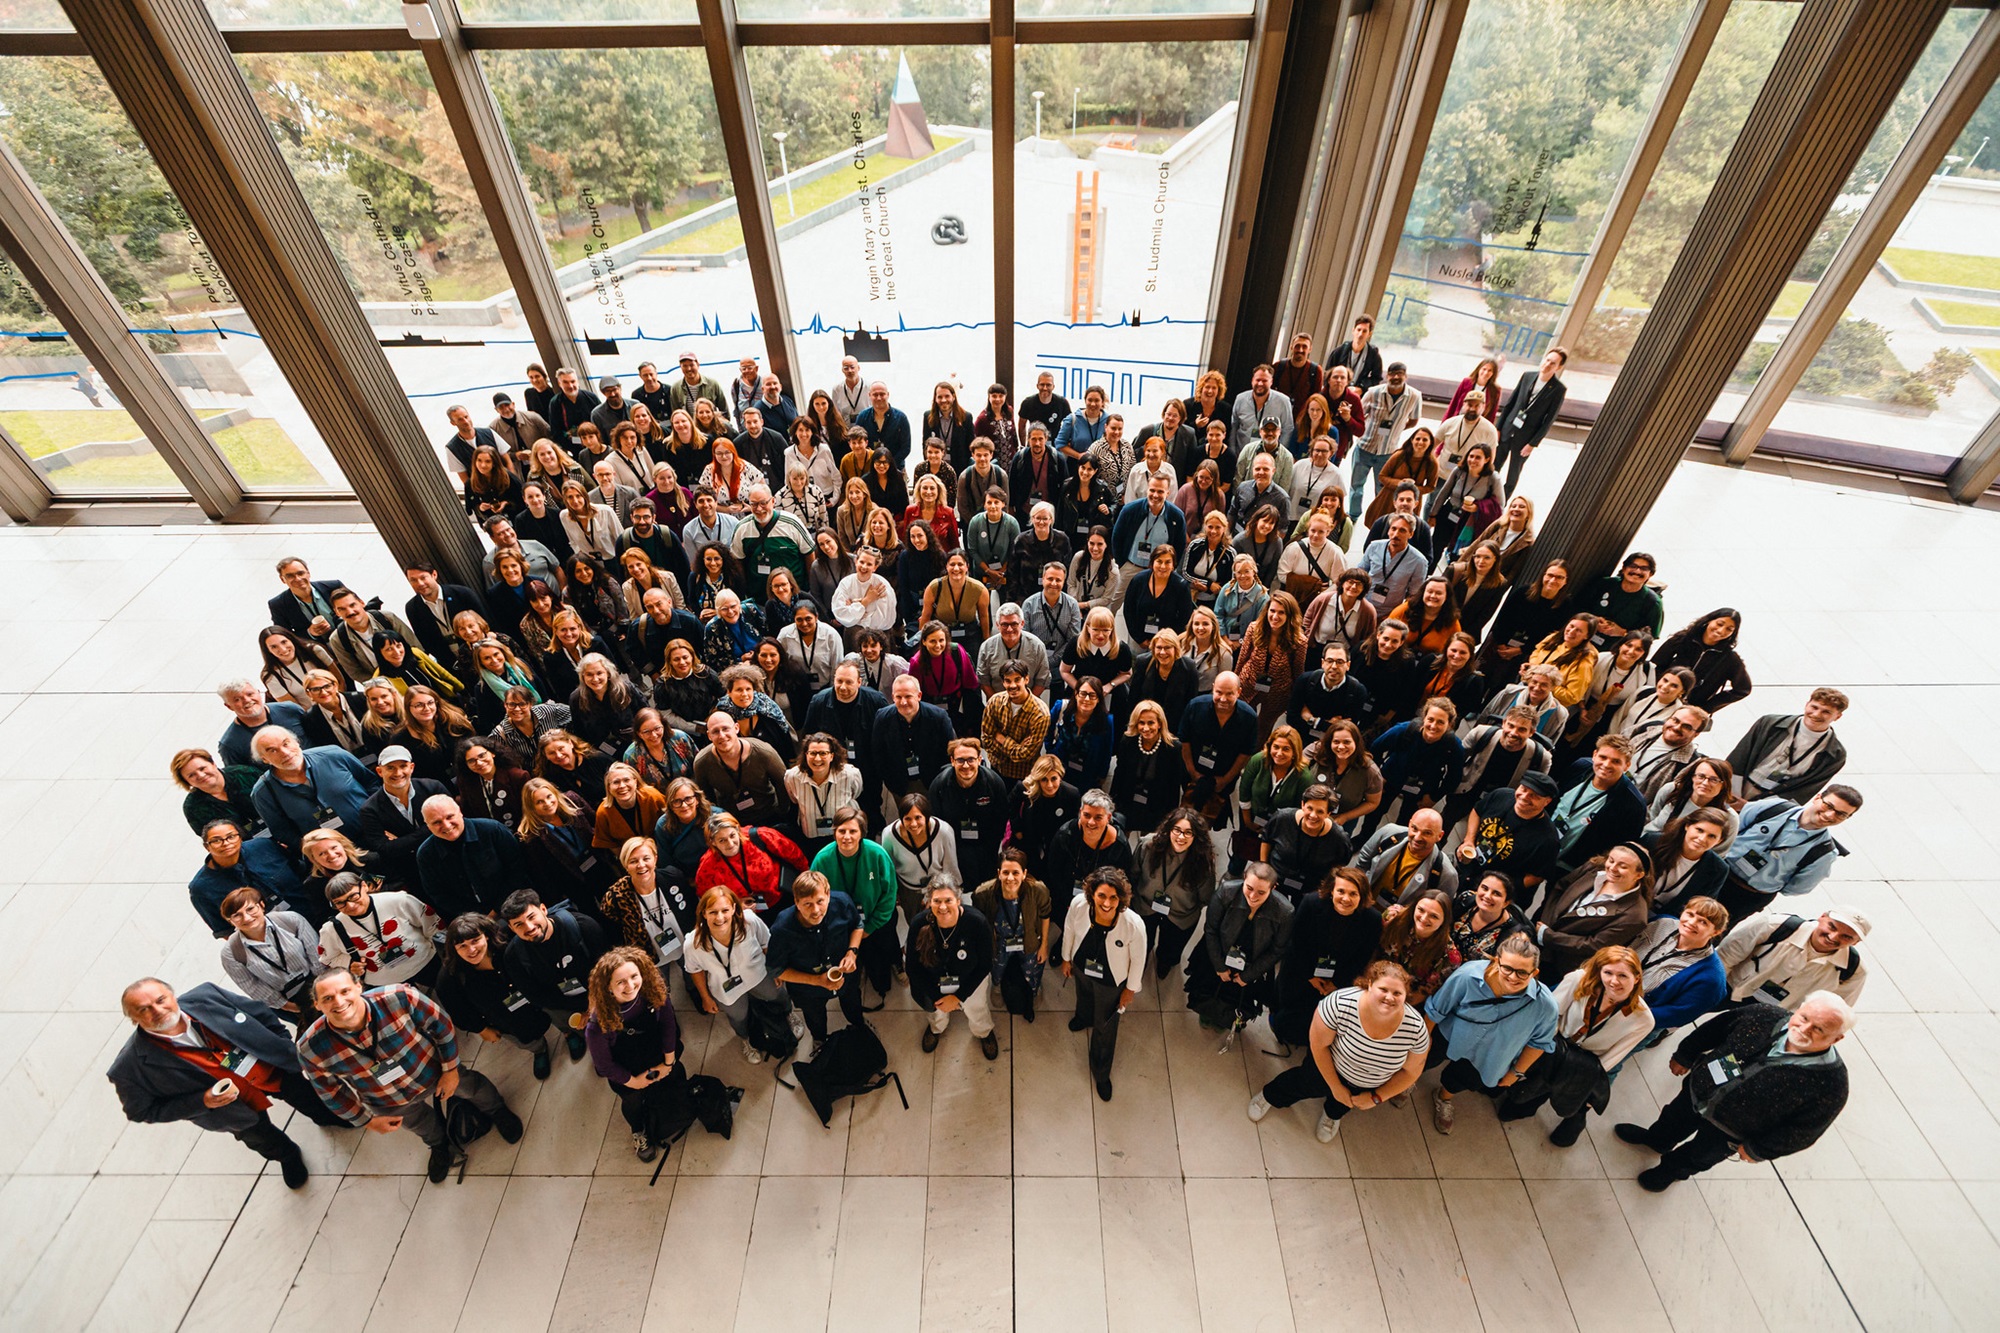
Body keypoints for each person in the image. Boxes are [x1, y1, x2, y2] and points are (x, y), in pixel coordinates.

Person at [109, 978, 346, 1190]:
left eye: (161, 999)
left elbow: (259, 1013)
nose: (158, 1010)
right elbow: (140, 1111)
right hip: (231, 1109)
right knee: (262, 1138)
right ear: (133, 1019)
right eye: (144, 1009)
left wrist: (280, 1044)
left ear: (171, 995)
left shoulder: (207, 995)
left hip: (272, 1068)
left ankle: (324, 1116)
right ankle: (288, 1156)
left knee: (307, 1096)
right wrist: (201, 1101)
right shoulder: (128, 1069)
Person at [1615, 993, 1852, 1191]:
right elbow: (1714, 1029)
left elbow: (1804, 1130)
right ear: (1799, 1009)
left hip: (1731, 1131)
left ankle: (1669, 1172)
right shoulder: (1764, 1014)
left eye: (1819, 1029)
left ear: (1837, 1038)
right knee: (1672, 1118)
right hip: (1698, 1092)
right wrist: (1685, 1054)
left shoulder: (1831, 1083)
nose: (1804, 1029)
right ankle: (1657, 1140)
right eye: (1804, 1018)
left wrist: (1758, 1150)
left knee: (1698, 1155)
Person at [300, 971, 521, 1182]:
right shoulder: (311, 1048)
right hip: (386, 1099)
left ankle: (496, 1110)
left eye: (344, 991)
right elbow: (330, 1092)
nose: (338, 1002)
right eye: (328, 998)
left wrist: (451, 1070)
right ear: (317, 1005)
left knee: (471, 1088)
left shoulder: (398, 997)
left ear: (359, 987)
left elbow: (441, 1026)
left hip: (433, 1071)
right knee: (418, 1123)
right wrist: (366, 1120)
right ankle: (439, 1143)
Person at [1250, 959, 1429, 1143]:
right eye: (1383, 989)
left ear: (1406, 994)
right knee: (1303, 1084)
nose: (1389, 997)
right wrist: (1336, 1087)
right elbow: (1318, 1046)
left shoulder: (1415, 1029)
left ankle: (1331, 1115)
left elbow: (1411, 1072)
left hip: (1366, 1085)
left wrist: (1376, 1097)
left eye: (1397, 993)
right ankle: (1270, 1096)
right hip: (1327, 1067)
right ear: (1369, 984)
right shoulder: (1340, 1003)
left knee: (1343, 1103)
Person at [1503, 945, 1654, 1145]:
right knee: (1528, 1093)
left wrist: (1579, 1077)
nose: (1614, 981)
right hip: (1555, 1043)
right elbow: (1552, 1014)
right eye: (1608, 972)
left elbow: (1612, 1058)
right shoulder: (1579, 979)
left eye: (1623, 976)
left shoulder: (1643, 1020)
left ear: (1636, 978)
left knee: (1572, 1099)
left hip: (1586, 1063)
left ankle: (1574, 1121)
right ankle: (1525, 1107)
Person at [1423, 935, 1558, 1133]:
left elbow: (1540, 1043)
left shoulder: (1545, 1006)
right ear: (1496, 960)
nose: (1513, 977)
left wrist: (1516, 1073)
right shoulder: (1468, 976)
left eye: (1522, 972)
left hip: (1490, 1055)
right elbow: (1437, 1009)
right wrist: (1422, 1041)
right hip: (1450, 1035)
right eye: (1507, 968)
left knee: (1462, 1080)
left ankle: (1443, 1096)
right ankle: (1407, 1083)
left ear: (1534, 972)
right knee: (1427, 1060)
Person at [584, 947, 687, 1162]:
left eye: (634, 976)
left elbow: (669, 1025)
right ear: (608, 987)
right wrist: (634, 1082)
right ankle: (639, 1131)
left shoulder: (655, 991)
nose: (630, 986)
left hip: (659, 1055)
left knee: (676, 1079)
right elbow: (605, 1066)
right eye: (620, 982)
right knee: (633, 1103)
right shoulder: (597, 1024)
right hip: (628, 1070)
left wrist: (668, 1062)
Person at [1269, 865, 1383, 1046]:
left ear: (1362, 896)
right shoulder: (1310, 903)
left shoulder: (1373, 920)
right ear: (1331, 891)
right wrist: (1310, 976)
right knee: (1287, 1007)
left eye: (1353, 894)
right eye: (1341, 891)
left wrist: (1335, 984)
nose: (1346, 899)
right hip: (1301, 970)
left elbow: (1362, 958)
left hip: (1337, 979)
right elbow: (1297, 943)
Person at [436, 913, 558, 1081]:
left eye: (475, 941)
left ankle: (568, 1033)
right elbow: (459, 1013)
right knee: (527, 1039)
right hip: (507, 1018)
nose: (471, 950)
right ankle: (539, 1050)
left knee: (559, 1014)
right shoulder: (449, 977)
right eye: (462, 946)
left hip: (537, 994)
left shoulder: (505, 938)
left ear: (485, 935)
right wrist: (481, 1029)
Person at [1061, 868, 1148, 1101]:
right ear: (1092, 894)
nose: (1107, 903)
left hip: (1112, 981)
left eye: (1113, 897)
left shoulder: (1134, 924)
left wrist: (1130, 990)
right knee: (1084, 996)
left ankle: (1101, 1072)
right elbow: (1069, 930)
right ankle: (1083, 1017)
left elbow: (1139, 959)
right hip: (1082, 967)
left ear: (1121, 898)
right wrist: (1066, 958)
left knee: (1106, 1027)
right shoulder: (1079, 905)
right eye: (1101, 896)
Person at [1716, 784, 1860, 921]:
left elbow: (1798, 888)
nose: (1830, 815)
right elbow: (1732, 826)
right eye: (1828, 806)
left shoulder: (1825, 853)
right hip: (1717, 869)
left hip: (1746, 896)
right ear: (1817, 797)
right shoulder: (1775, 807)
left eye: (1841, 814)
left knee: (1709, 934)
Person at [685, 886, 794, 1064]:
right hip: (725, 988)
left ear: (734, 908)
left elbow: (766, 943)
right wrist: (706, 997)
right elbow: (694, 970)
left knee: (776, 994)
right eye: (713, 912)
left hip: (758, 974)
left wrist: (776, 970)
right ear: (703, 913)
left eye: (725, 910)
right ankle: (746, 1039)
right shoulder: (693, 943)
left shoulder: (749, 921)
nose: (720, 918)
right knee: (738, 1016)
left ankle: (788, 1014)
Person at [500, 888, 610, 1057]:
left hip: (602, 992)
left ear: (543, 909)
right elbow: (535, 995)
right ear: (511, 928)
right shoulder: (514, 957)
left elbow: (607, 966)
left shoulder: (582, 926)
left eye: (531, 917)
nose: (529, 927)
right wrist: (583, 1009)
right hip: (564, 1005)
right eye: (518, 924)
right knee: (592, 1034)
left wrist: (595, 1000)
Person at [1184, 862, 1293, 1028]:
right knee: (1206, 989)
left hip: (1253, 964)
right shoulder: (1226, 892)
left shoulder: (1284, 912)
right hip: (1218, 955)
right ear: (1243, 878)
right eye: (1249, 888)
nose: (1253, 896)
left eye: (1261, 892)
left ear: (1274, 888)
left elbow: (1277, 950)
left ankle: (1229, 1021)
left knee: (1239, 1001)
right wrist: (1219, 966)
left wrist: (1248, 976)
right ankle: (1206, 1013)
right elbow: (1211, 930)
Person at [766, 871, 866, 1048]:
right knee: (815, 1018)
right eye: (807, 904)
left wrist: (852, 952)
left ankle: (859, 1026)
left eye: (820, 901)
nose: (816, 911)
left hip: (846, 976)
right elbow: (776, 969)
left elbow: (857, 925)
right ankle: (819, 1040)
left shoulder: (842, 902)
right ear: (796, 902)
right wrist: (816, 981)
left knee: (853, 1003)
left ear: (828, 894)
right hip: (808, 989)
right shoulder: (782, 929)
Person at [809, 807, 899, 1000]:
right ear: (834, 833)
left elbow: (889, 894)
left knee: (881, 961)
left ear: (862, 833)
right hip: (842, 926)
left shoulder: (877, 854)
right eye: (842, 831)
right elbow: (814, 896)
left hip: (877, 922)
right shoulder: (822, 859)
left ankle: (888, 973)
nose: (847, 837)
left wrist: (871, 926)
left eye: (853, 831)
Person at [904, 880, 999, 1059]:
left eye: (948, 900)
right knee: (937, 1013)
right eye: (937, 901)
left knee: (977, 1008)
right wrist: (937, 996)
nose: (942, 907)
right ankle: (936, 1029)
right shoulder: (918, 924)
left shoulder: (977, 922)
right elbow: (912, 967)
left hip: (970, 979)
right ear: (928, 902)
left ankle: (983, 1033)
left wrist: (959, 997)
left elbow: (985, 964)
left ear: (958, 900)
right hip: (934, 983)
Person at [1532, 841, 1654, 979]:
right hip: (1538, 935)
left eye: (1623, 866)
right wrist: (1545, 925)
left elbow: (1595, 945)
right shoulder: (1594, 868)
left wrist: (1549, 937)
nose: (1612, 868)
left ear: (1639, 875)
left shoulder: (1635, 916)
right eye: (1611, 860)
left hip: (1560, 964)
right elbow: (1560, 887)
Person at [248, 727, 380, 853]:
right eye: (272, 750)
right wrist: (315, 852)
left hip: (376, 832)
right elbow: (282, 831)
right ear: (264, 759)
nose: (285, 753)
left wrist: (383, 820)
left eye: (286, 743)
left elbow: (371, 783)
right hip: (333, 856)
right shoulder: (263, 793)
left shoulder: (333, 754)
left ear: (297, 741)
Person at [1716, 907, 1869, 1010]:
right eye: (1832, 927)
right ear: (1821, 917)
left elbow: (1835, 1008)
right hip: (1729, 986)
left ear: (1856, 942)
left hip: (1773, 1013)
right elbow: (1727, 955)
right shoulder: (1776, 926)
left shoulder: (1854, 970)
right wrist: (1711, 986)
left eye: (1846, 936)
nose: (1833, 937)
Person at [216, 888, 321, 1028]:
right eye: (237, 915)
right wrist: (294, 1008)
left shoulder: (290, 920)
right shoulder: (231, 952)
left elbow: (317, 955)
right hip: (289, 1001)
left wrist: (324, 990)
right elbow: (253, 987)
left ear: (261, 905)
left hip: (319, 982)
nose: (246, 918)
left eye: (250, 909)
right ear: (230, 921)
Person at [1726, 688, 1850, 806]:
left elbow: (1805, 791)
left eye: (1826, 712)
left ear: (1837, 716)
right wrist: (1731, 795)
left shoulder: (1835, 755)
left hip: (1769, 806)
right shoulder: (1770, 723)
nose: (1816, 714)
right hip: (1734, 790)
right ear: (1807, 704)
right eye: (1814, 707)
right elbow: (1739, 758)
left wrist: (1754, 808)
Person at [189, 817, 310, 937]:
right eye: (216, 840)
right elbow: (226, 932)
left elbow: (300, 870)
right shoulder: (201, 888)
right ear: (207, 846)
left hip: (311, 912)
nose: (226, 843)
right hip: (275, 938)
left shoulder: (264, 846)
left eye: (231, 837)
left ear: (240, 837)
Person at [1549, 735, 1649, 877]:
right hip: (1542, 848)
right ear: (1594, 755)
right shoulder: (1580, 767)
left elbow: (1620, 847)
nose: (1607, 764)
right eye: (1603, 757)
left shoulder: (1633, 804)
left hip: (1572, 868)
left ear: (1627, 766)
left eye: (1616, 761)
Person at [1455, 770, 1562, 902]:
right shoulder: (1501, 795)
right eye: (1523, 789)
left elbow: (1537, 876)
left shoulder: (1548, 840)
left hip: (1495, 894)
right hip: (1468, 867)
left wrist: (1501, 888)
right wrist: (1469, 841)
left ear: (1547, 802)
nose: (1524, 796)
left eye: (1534, 796)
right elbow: (1477, 811)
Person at [1629, 897, 1731, 1035]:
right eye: (1690, 914)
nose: (1692, 922)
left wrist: (1627, 1013)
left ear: (1716, 932)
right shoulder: (1662, 923)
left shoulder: (1711, 978)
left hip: (1636, 1022)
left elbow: (1678, 1014)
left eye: (1703, 922)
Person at [1177, 672, 1259, 820]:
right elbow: (1184, 740)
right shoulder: (1195, 706)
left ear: (1239, 692)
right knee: (1188, 809)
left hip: (1224, 775)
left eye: (1229, 694)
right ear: (1213, 688)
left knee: (1212, 813)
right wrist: (1192, 772)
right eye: (1219, 692)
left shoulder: (1249, 717)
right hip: (1193, 771)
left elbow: (1245, 752)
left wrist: (1226, 779)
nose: (1223, 699)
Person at [692, 710, 789, 825]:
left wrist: (782, 813)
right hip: (732, 822)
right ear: (709, 735)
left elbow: (783, 783)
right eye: (715, 731)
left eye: (725, 729)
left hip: (769, 814)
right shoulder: (702, 762)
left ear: (736, 728)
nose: (722, 736)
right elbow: (706, 798)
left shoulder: (764, 752)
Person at [1493, 346, 1568, 492]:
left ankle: (1502, 503)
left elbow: (1549, 420)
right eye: (1547, 360)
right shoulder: (1527, 376)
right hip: (1507, 430)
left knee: (1513, 475)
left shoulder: (1558, 389)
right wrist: (1498, 428)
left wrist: (1533, 443)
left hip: (1525, 438)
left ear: (1559, 367)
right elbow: (1510, 404)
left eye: (1553, 363)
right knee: (1494, 467)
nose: (1547, 364)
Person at [1351, 807, 1458, 909]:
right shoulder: (1388, 833)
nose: (1417, 837)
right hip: (1363, 905)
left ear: (1440, 836)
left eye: (1427, 833)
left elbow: (1440, 908)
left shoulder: (1446, 874)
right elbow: (1364, 858)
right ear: (1409, 824)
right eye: (1414, 828)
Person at [1651, 608, 1753, 714]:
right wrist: (1659, 687)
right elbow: (1655, 665)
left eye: (1729, 629)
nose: (1721, 631)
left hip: (1687, 711)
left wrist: (1707, 707)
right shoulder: (1682, 639)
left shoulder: (1730, 659)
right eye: (1719, 624)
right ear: (1709, 620)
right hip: (1660, 699)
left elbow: (1743, 689)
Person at [217, 678, 310, 771]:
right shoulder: (230, 745)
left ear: (258, 692)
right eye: (237, 699)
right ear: (229, 706)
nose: (247, 700)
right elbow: (243, 779)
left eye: (250, 694)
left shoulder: (290, 710)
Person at [1574, 551, 1664, 648]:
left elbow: (1650, 637)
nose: (1637, 571)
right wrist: (1592, 620)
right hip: (1581, 639)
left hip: (1614, 650)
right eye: (1633, 566)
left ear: (1651, 574)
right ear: (1624, 568)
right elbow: (1577, 606)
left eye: (1644, 569)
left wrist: (1623, 632)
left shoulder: (1653, 602)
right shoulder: (1605, 584)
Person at [1324, 315, 1384, 394]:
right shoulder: (1339, 351)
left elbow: (1376, 378)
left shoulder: (1373, 355)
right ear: (1353, 330)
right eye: (1358, 330)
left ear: (1369, 334)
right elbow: (1328, 373)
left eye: (1364, 331)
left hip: (1358, 394)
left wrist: (1362, 388)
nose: (1360, 334)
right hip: (1336, 391)